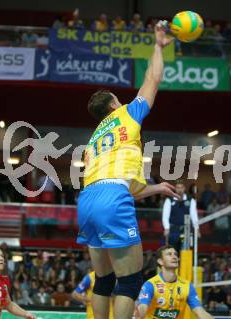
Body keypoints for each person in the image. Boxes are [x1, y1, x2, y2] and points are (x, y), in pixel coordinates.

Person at [77, 21, 177, 319]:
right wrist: (158, 46)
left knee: (104, 280)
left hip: (87, 200)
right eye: (118, 100)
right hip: (110, 197)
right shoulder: (126, 115)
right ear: (113, 105)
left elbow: (125, 186)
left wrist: (157, 188)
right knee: (130, 281)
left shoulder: (94, 139)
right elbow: (153, 78)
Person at [136, 246, 214, 319]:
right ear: (160, 261)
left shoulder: (187, 286)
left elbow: (199, 311)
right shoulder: (150, 285)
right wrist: (137, 314)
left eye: (175, 254)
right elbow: (143, 307)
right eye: (169, 254)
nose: (174, 257)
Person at [162, 180, 199, 251]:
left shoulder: (190, 200)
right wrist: (166, 228)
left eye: (181, 187)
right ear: (175, 189)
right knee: (173, 251)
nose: (180, 190)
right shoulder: (169, 200)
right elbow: (165, 216)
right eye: (178, 188)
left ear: (184, 188)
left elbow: (194, 216)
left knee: (186, 252)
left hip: (186, 230)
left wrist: (197, 229)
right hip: (173, 230)